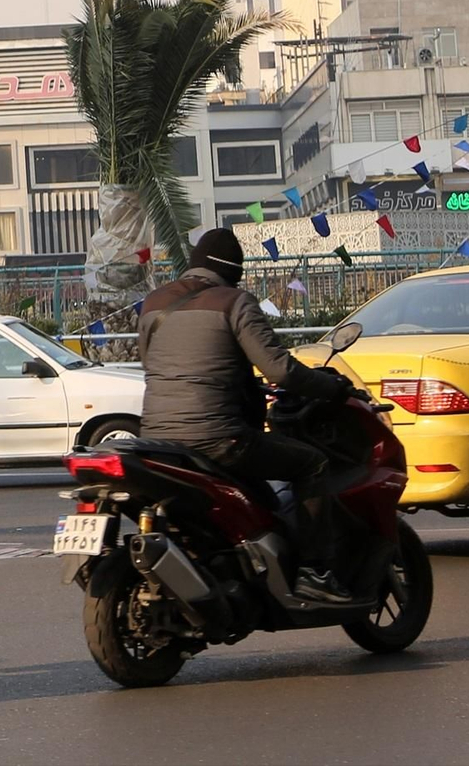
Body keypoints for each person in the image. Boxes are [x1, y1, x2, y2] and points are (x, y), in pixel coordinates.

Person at [138, 228, 355, 603]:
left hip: (158, 442)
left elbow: (150, 363)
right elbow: (280, 371)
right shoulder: (234, 302)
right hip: (219, 439)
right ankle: (316, 574)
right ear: (233, 269)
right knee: (313, 465)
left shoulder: (154, 303)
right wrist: (331, 387)